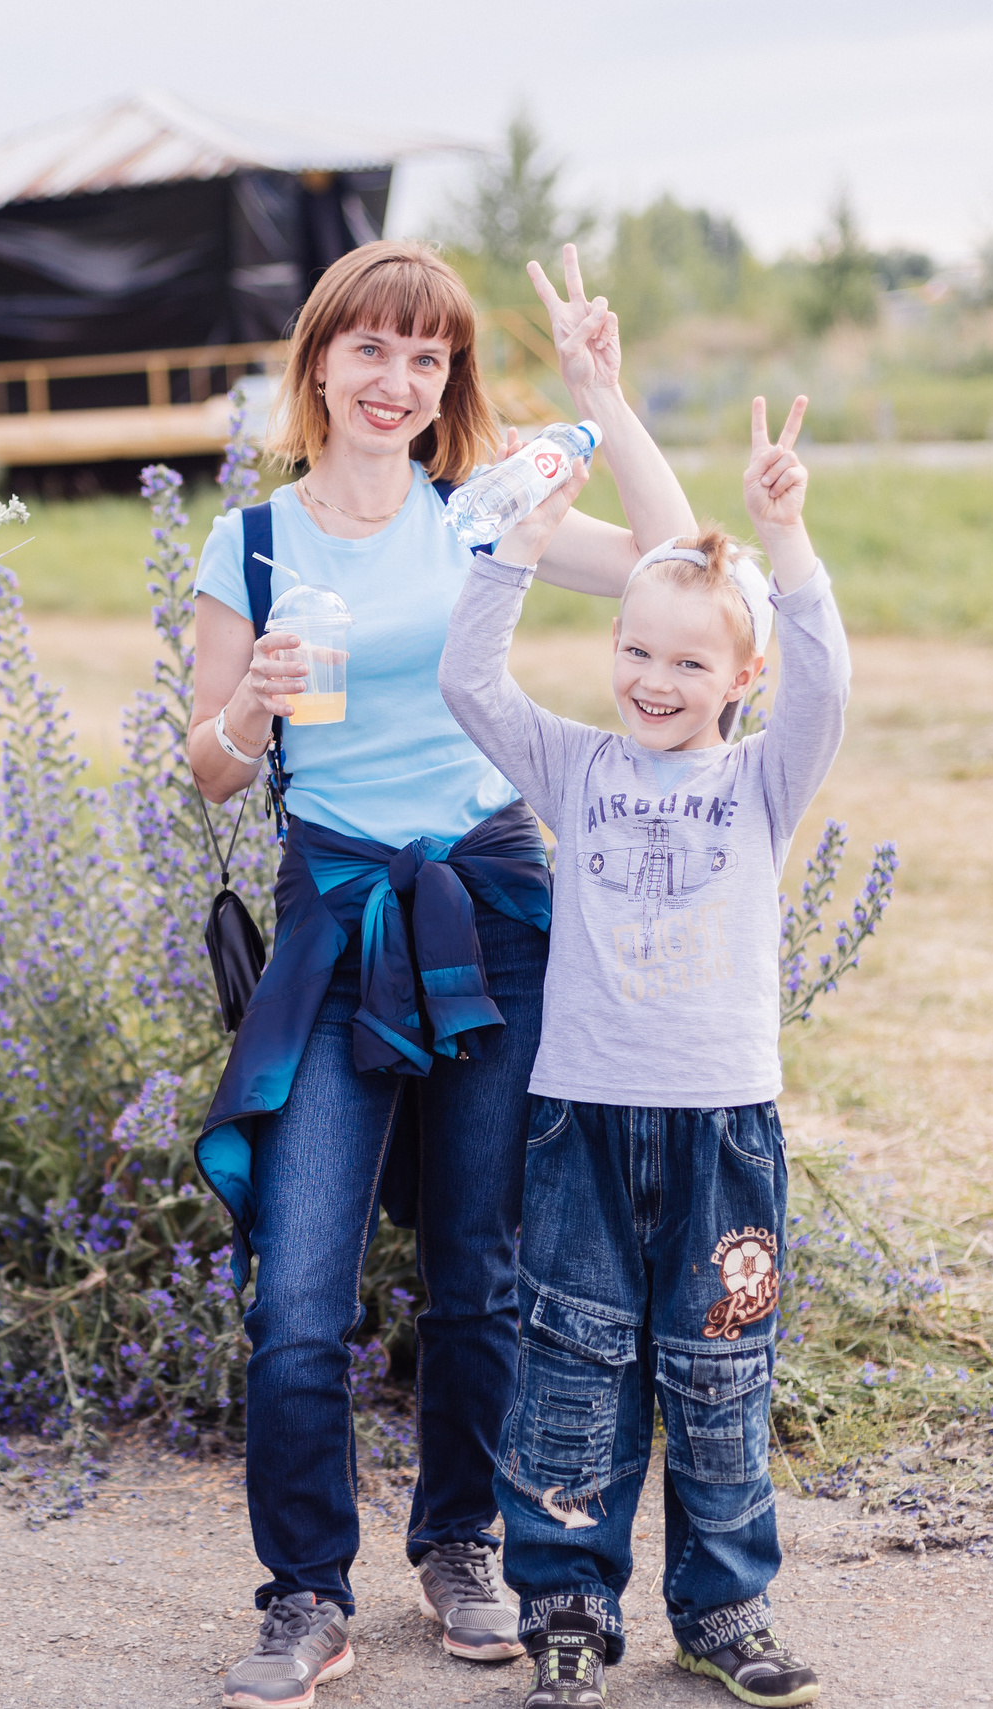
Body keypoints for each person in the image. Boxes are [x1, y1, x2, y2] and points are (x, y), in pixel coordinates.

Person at [186, 240, 697, 1709]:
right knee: (299, 1288)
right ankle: (303, 1592)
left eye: (426, 357)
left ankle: (460, 1544)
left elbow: (681, 564)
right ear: (320, 362)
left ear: (447, 381)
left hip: (490, 902)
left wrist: (603, 391)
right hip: (338, 912)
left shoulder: (488, 516)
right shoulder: (258, 544)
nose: (395, 380)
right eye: (371, 349)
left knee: (480, 1271)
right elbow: (206, 773)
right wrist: (250, 707)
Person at [434, 394, 845, 1709]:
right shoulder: (576, 769)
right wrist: (515, 546)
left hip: (723, 1124)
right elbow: (467, 682)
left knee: (721, 1369)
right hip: (581, 1122)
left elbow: (828, 676)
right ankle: (565, 1605)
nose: (655, 683)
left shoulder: (761, 783)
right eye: (636, 653)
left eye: (687, 664)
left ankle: (724, 1612)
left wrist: (785, 541)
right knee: (573, 1364)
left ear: (742, 679)